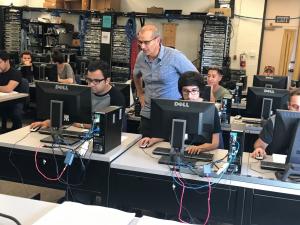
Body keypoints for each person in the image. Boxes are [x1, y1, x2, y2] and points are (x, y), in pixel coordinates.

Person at [133, 24, 198, 137]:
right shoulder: (141, 57)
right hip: (148, 113)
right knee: (143, 149)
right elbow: (136, 75)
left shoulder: (174, 56)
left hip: (171, 114)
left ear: (158, 40)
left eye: (146, 42)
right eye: (140, 42)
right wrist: (140, 94)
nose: (142, 46)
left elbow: (195, 77)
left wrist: (188, 99)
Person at [139, 71, 221, 154]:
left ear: (200, 90)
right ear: (180, 91)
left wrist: (198, 148)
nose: (189, 96)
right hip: (178, 150)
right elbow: (167, 132)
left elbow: (215, 143)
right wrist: (152, 140)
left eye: (194, 91)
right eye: (185, 91)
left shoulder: (210, 109)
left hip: (201, 151)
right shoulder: (176, 106)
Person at [30, 60, 125, 129]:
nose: (91, 84)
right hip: (80, 133)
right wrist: (46, 123)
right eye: (89, 80)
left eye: (96, 81)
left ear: (107, 80)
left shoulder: (116, 97)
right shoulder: (82, 92)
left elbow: (112, 126)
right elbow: (68, 116)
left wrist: (81, 125)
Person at [251, 88, 300, 158]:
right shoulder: (275, 121)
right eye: (295, 106)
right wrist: (259, 149)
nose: (299, 111)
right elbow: (259, 144)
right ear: (288, 105)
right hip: (276, 162)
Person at [0, 50, 24, 131]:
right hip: (2, 101)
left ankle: (17, 132)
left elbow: (8, 89)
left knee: (16, 114)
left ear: (6, 61)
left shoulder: (15, 73)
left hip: (15, 102)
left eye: (0, 62)